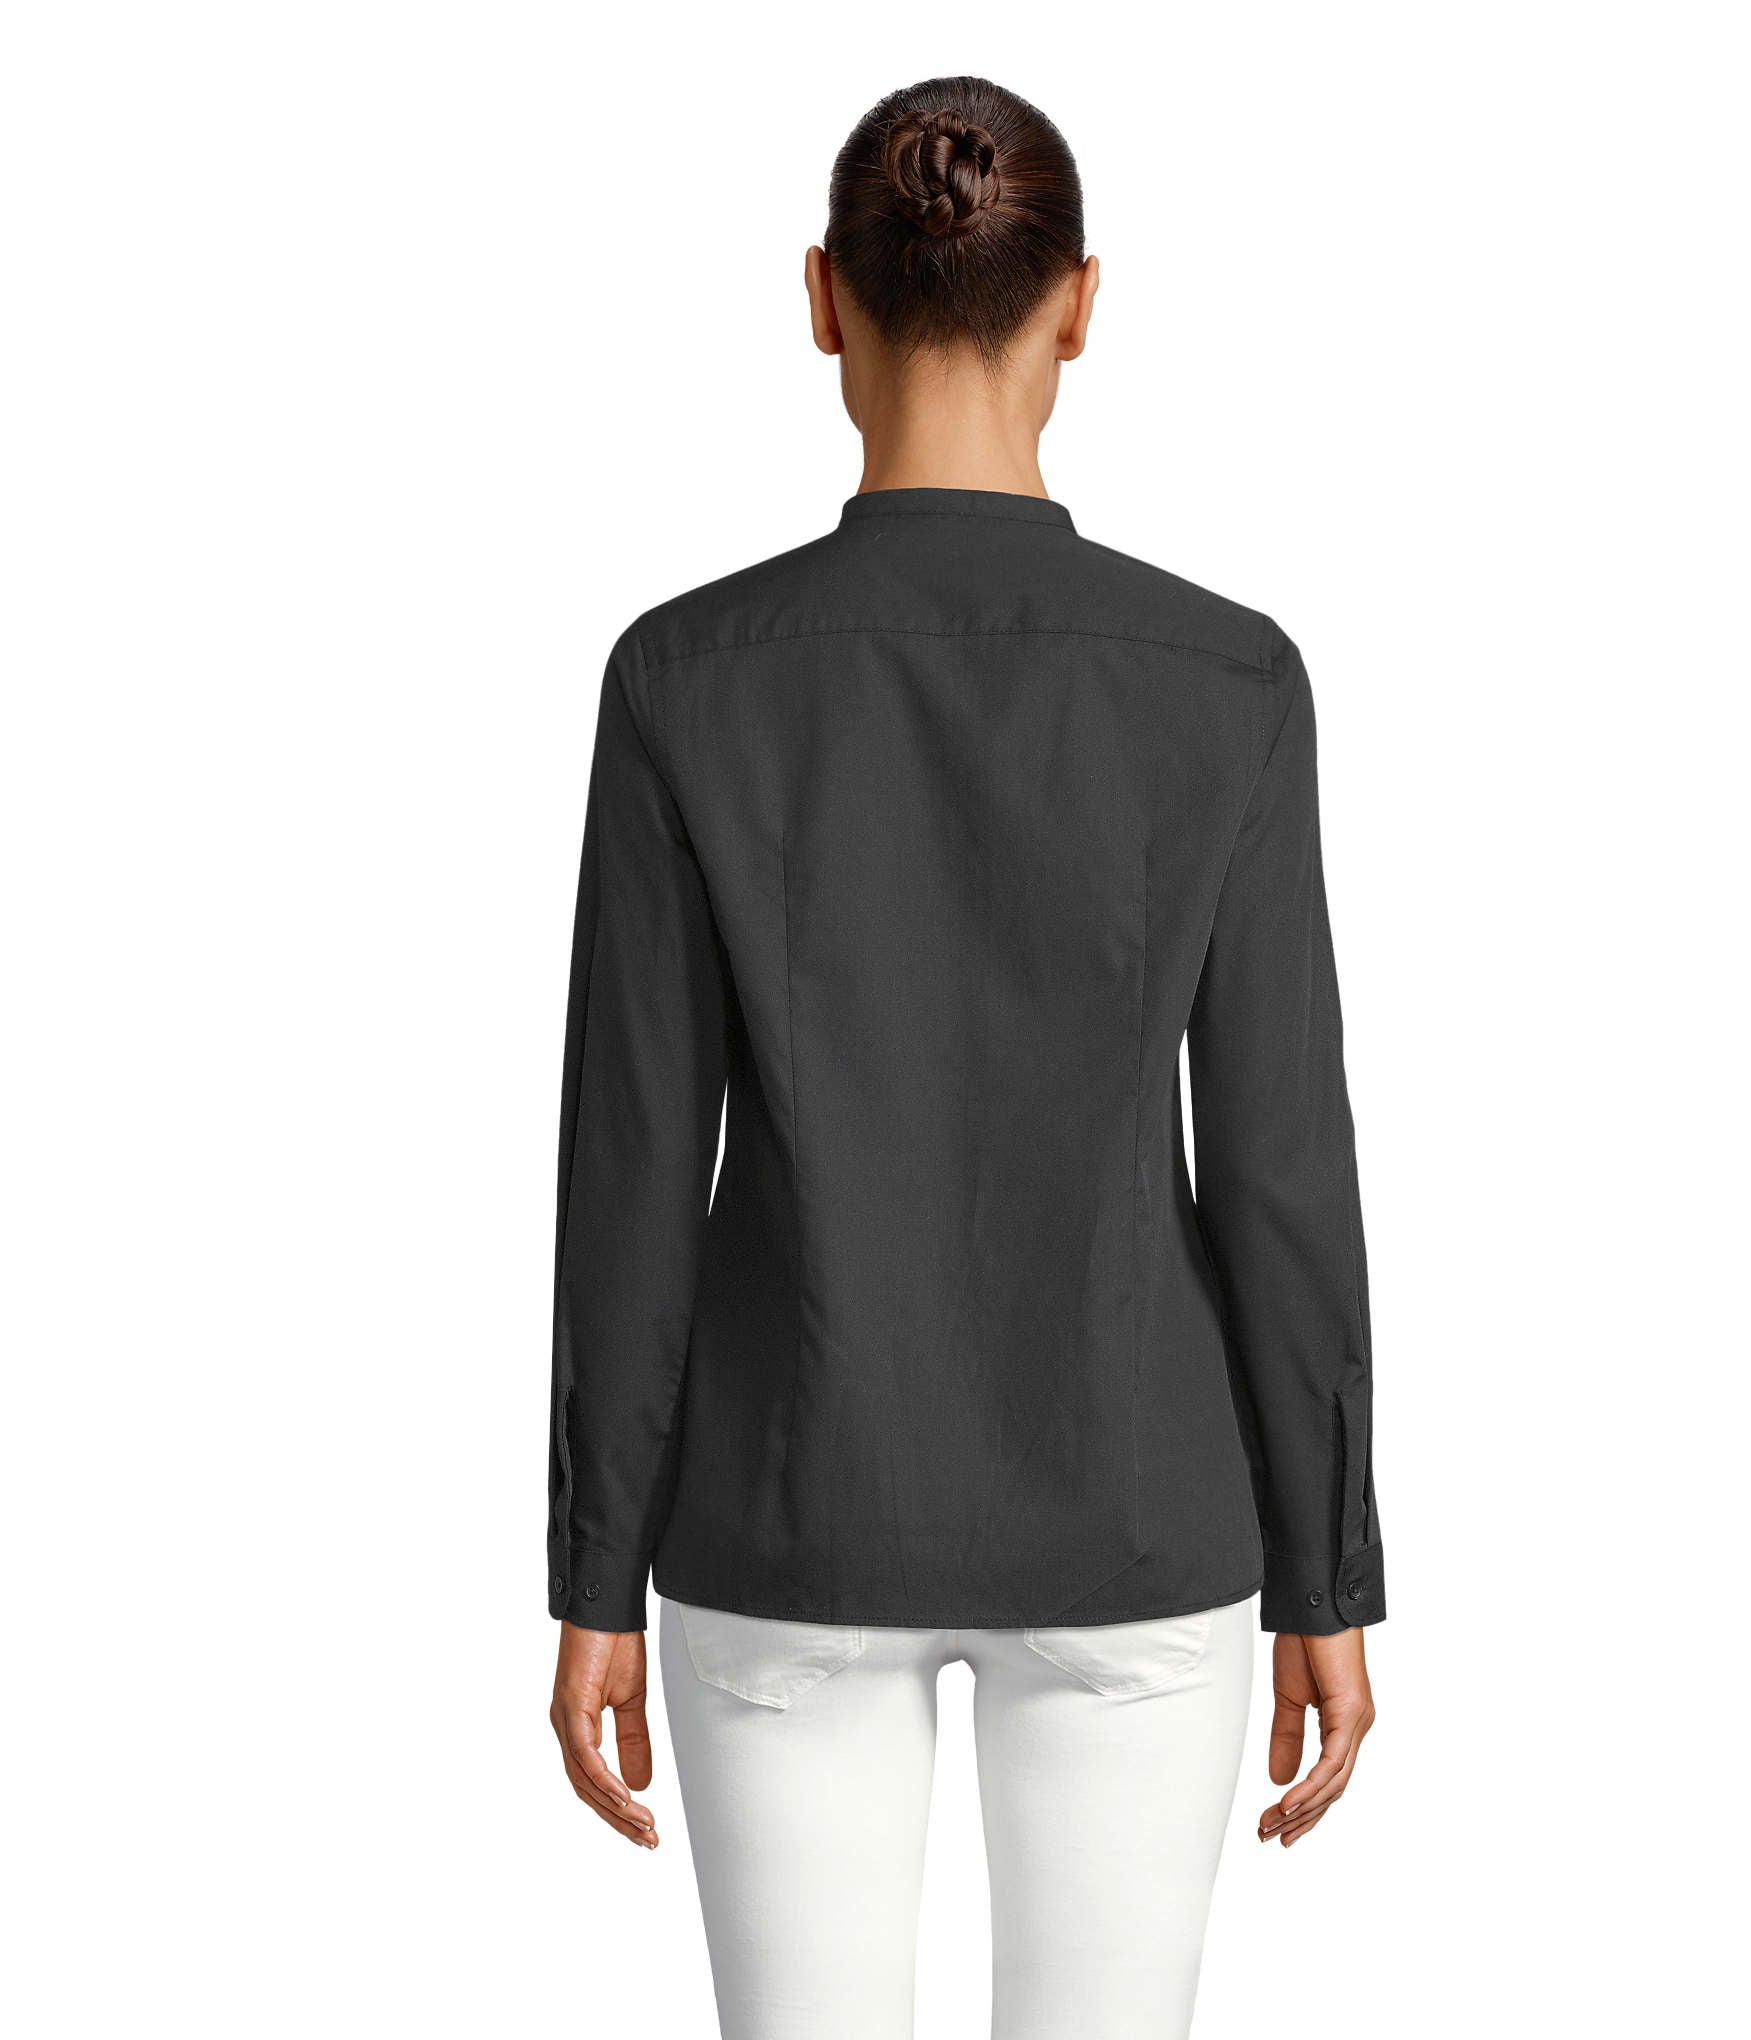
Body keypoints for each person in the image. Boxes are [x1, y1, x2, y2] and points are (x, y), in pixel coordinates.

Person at [545, 74, 1383, 2040]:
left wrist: (591, 1568)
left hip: (783, 1507)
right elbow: (1277, 1166)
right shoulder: (1227, 683)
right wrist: (1326, 1573)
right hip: (1136, 1511)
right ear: (1078, 304)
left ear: (821, 296)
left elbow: (632, 1167)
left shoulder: (683, 678)